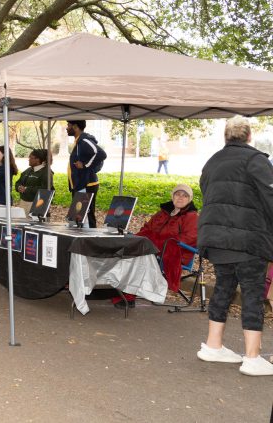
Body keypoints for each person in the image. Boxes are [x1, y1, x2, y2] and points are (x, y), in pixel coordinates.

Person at [196, 116, 273, 376]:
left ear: (226, 137)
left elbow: (209, 196)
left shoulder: (212, 162)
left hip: (217, 239)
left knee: (224, 288)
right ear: (249, 136)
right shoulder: (256, 160)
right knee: (253, 293)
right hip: (248, 240)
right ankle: (252, 357)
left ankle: (213, 345)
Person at [112, 184, 199, 308]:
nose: (180, 198)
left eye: (185, 196)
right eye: (177, 194)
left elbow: (189, 238)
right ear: (172, 196)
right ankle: (117, 289)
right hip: (154, 248)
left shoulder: (191, 217)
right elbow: (146, 228)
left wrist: (156, 242)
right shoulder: (162, 213)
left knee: (140, 257)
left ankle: (129, 296)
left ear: (189, 199)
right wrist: (136, 240)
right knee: (125, 249)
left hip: (175, 252)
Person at [66, 120, 105, 228]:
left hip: (87, 184)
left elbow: (101, 153)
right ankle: (83, 239)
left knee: (86, 214)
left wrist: (85, 165)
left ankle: (92, 240)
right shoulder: (79, 141)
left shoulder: (84, 140)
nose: (66, 128)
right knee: (79, 215)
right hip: (80, 184)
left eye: (68, 126)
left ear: (75, 127)